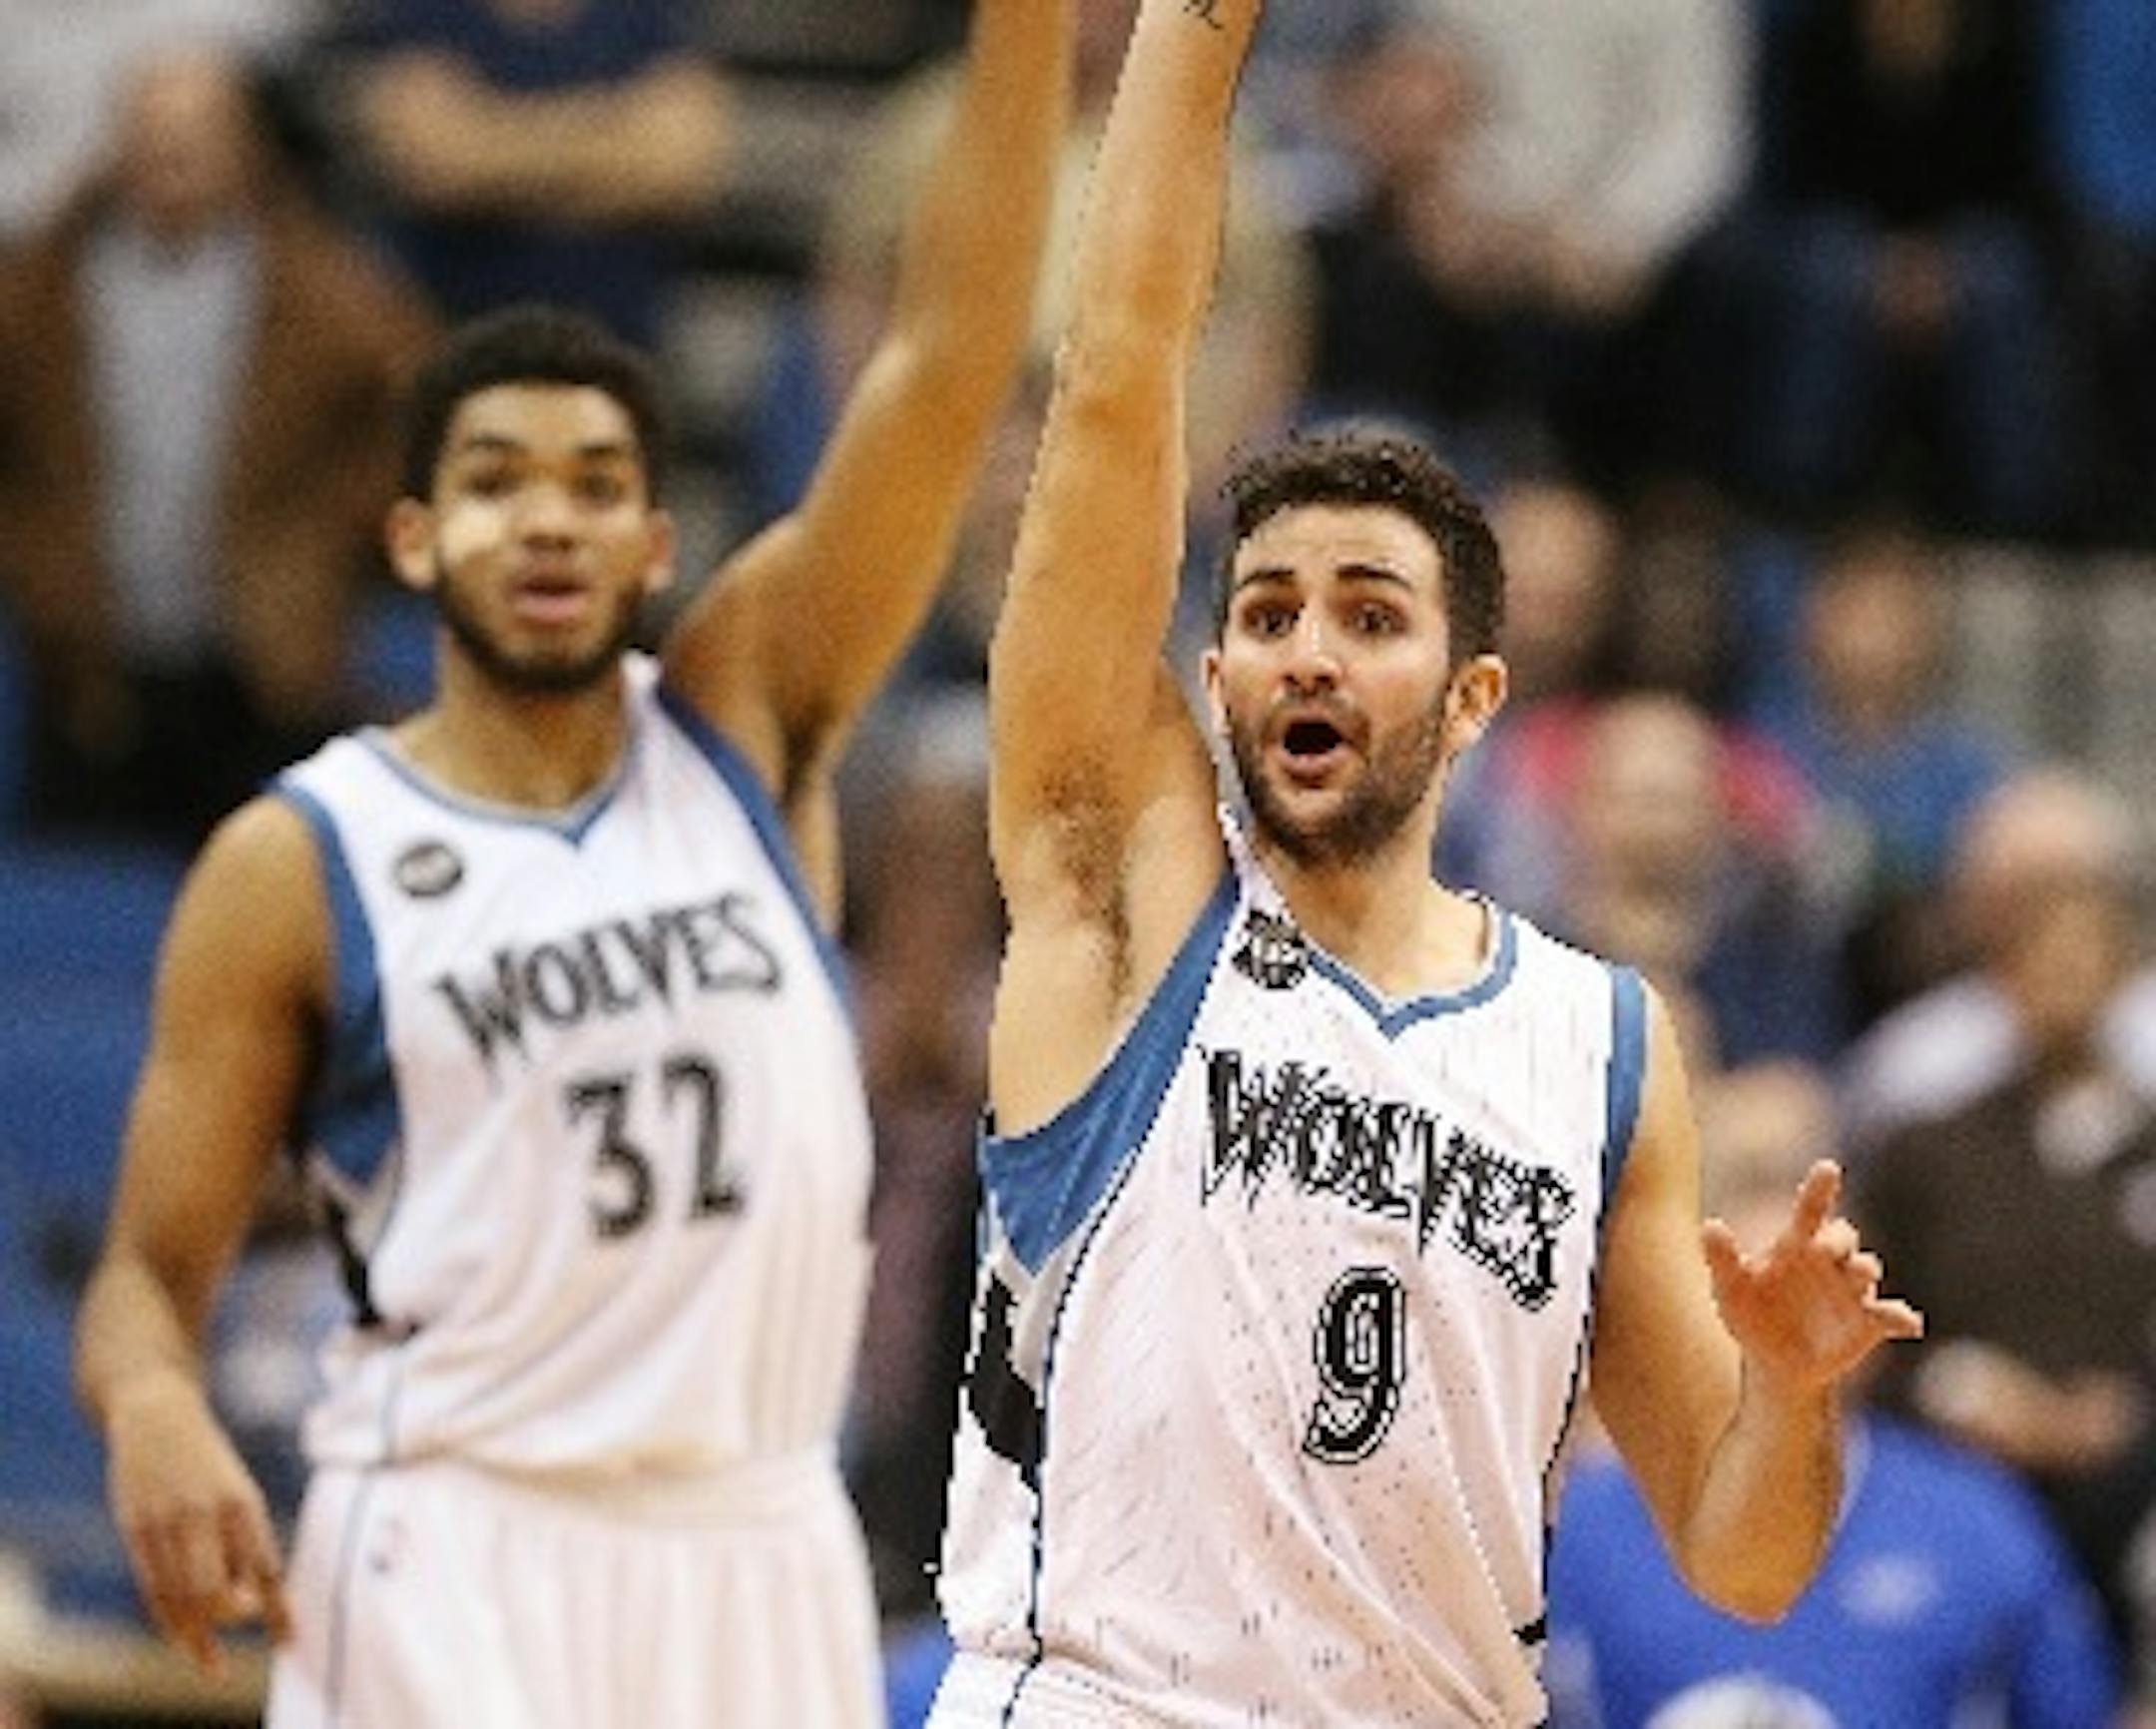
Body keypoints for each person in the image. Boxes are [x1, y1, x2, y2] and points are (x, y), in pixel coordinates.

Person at [70, 0, 1072, 1720]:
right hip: (457, 1537)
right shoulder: (305, 856)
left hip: (759, 1536)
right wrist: (154, 1406)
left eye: (597, 482)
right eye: (498, 481)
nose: (548, 518)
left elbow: (953, 351)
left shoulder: (747, 719)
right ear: (415, 533)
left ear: (654, 536)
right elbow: (144, 1285)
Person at [929, 1, 1919, 1723]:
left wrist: (1793, 1389)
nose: (1308, 649)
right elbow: (1111, 384)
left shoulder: (1604, 1041)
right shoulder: (1127, 898)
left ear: (1472, 701)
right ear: (1215, 675)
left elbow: (1747, 1554)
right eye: (1267, 613)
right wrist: (1196, 30)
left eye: (1368, 615)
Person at [1545, 1060, 2123, 1729]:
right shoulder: (1571, 1533)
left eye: (1806, 1301)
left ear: (1866, 1318)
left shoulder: (1979, 1523)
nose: (1775, 1343)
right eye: (1748, 1304)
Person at [0, 43, 439, 849]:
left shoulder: (325, 291)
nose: (172, 159)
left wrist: (332, 533)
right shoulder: (38, 291)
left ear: (243, 148)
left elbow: (421, 409)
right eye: (153, 135)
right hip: (87, 670)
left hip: (265, 669)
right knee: (78, 924)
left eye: (195, 136)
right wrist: (30, 547)